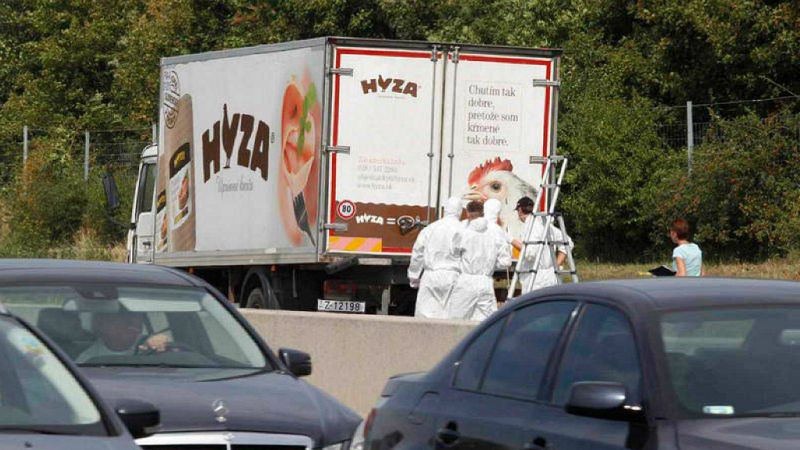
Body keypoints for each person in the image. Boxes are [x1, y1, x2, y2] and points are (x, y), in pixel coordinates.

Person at [408, 197, 465, 319]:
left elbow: (418, 253)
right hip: (454, 276)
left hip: (430, 276)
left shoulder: (429, 229)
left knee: (425, 316)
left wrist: (414, 276)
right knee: (451, 316)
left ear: (445, 210)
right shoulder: (464, 230)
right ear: (460, 211)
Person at [447, 216, 512, 321]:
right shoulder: (495, 232)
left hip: (466, 280)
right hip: (485, 281)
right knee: (487, 322)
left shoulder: (463, 232)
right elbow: (506, 262)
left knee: (456, 319)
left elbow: (452, 254)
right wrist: (490, 266)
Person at [512, 196, 573, 293]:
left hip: (535, 279)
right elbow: (568, 242)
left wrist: (512, 241)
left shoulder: (530, 226)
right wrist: (556, 265)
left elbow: (530, 254)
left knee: (533, 307)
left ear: (519, 210)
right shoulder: (545, 225)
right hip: (551, 275)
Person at [76, 311, 170, 363]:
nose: (132, 323)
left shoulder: (151, 344)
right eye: (121, 317)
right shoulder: (87, 360)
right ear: (100, 325)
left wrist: (164, 343)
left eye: (135, 316)